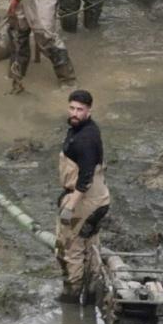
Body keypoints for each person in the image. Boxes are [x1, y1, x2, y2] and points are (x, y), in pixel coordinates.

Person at [56, 89, 111, 304]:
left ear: (89, 111)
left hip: (85, 200)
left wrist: (70, 206)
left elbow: (85, 177)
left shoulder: (85, 140)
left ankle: (71, 296)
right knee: (91, 245)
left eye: (80, 109)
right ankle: (91, 296)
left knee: (69, 249)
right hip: (100, 199)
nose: (75, 113)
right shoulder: (85, 129)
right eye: (72, 108)